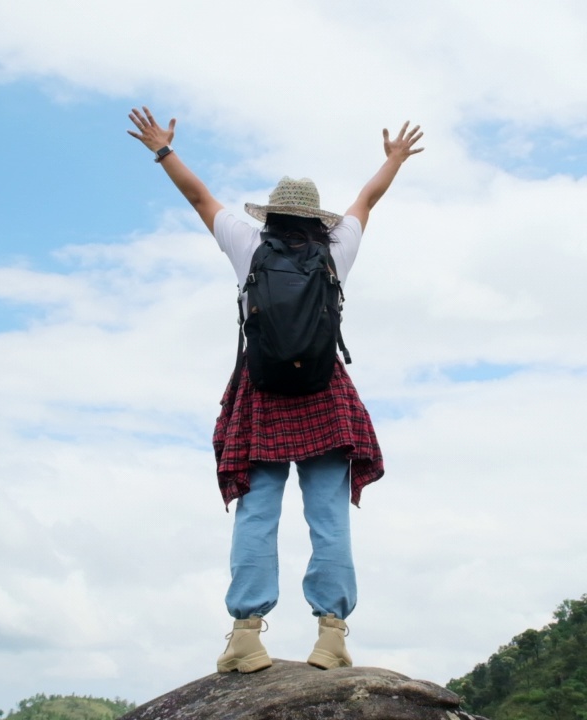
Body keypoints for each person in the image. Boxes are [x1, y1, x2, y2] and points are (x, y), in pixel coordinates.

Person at [127, 106, 423, 673]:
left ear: (272, 213)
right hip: (324, 395)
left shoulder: (247, 245)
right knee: (329, 518)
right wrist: (393, 161)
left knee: (257, 513)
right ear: (317, 219)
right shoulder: (337, 251)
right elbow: (367, 200)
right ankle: (331, 638)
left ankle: (245, 637)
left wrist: (163, 150)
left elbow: (198, 197)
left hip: (261, 395)